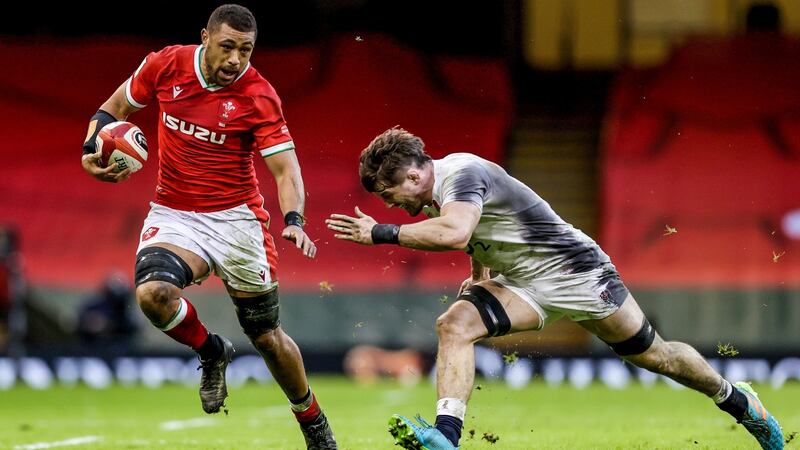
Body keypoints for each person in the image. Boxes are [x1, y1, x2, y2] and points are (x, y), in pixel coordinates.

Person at [326, 127, 784, 450]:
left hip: (577, 272)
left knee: (656, 356)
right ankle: (446, 437)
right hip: (525, 282)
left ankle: (738, 400)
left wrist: (380, 232)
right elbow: (479, 233)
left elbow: (457, 231)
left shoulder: (461, 174)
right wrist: (481, 275)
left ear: (412, 175)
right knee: (455, 324)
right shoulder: (433, 194)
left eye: (390, 196)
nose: (391, 205)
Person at [80, 5, 336, 449]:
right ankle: (211, 350)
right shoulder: (165, 65)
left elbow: (286, 170)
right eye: (228, 47)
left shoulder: (259, 94)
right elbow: (114, 108)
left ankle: (312, 421)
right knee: (153, 295)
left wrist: (294, 220)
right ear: (205, 38)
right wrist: (90, 150)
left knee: (267, 338)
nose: (236, 60)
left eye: (246, 50)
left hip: (238, 222)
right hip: (175, 213)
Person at [76, 270, 139, 351]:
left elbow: (135, 327)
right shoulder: (94, 306)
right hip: (93, 348)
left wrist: (109, 325)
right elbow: (80, 323)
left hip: (121, 348)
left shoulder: (128, 309)